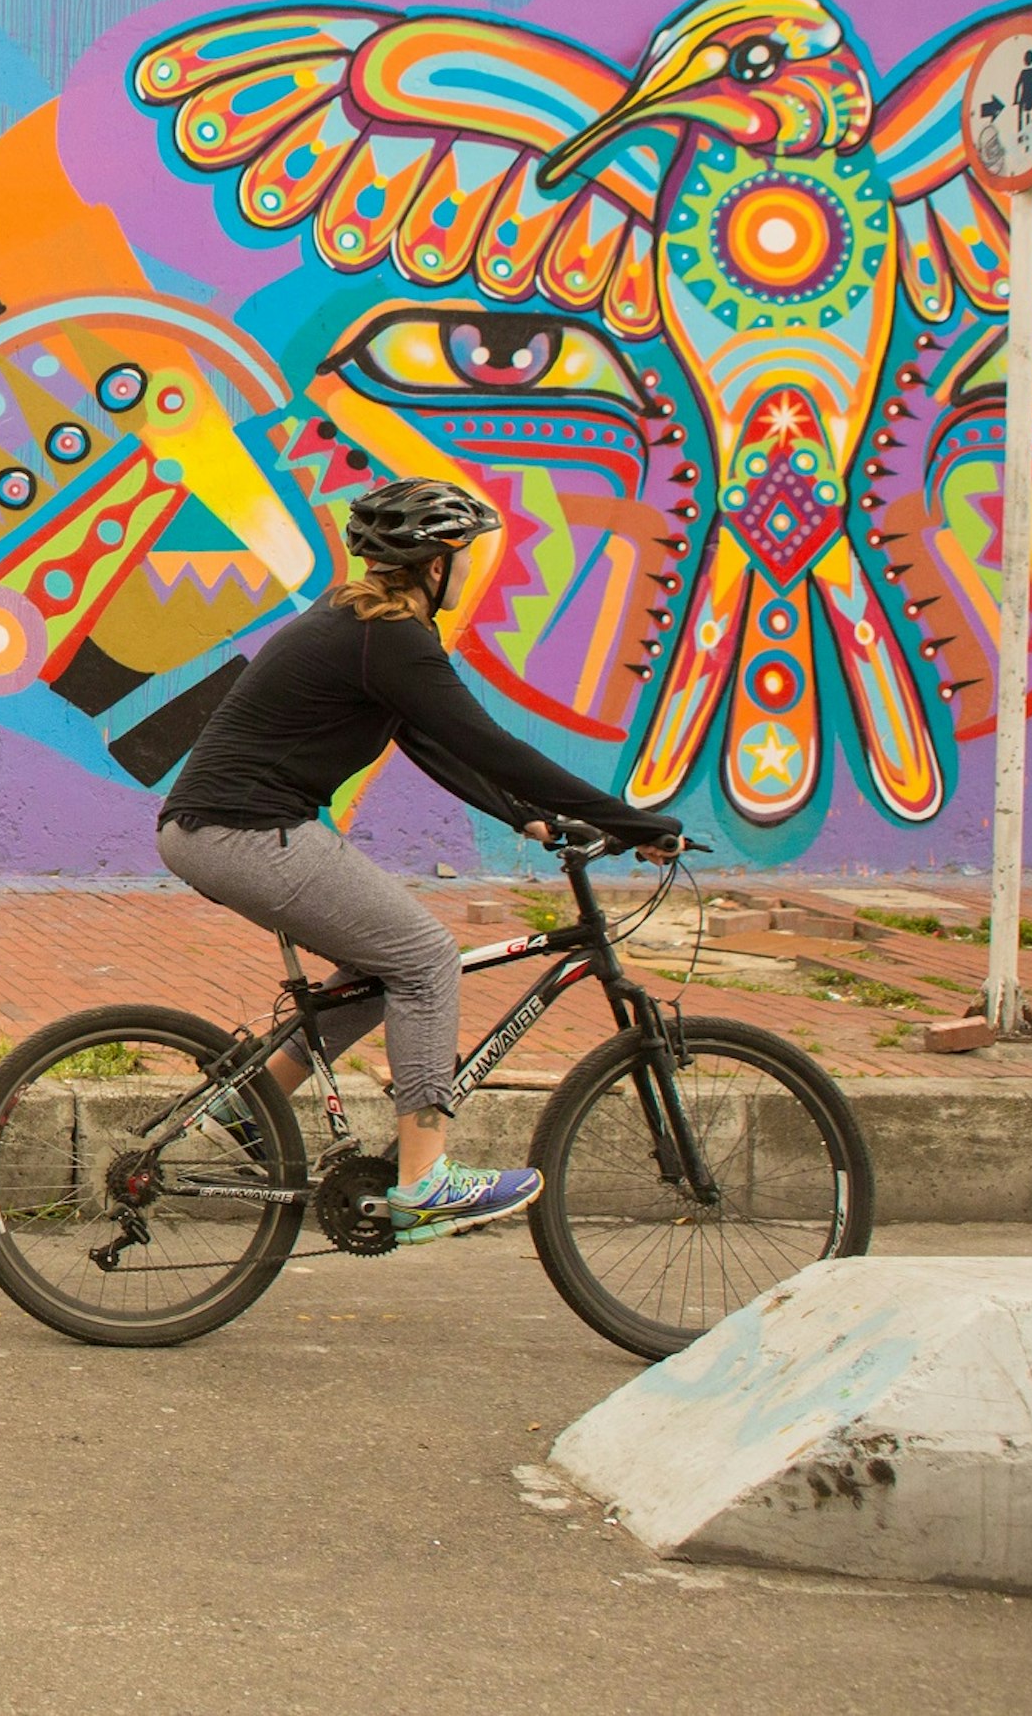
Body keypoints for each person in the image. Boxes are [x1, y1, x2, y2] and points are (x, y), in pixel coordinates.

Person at [154, 476, 684, 1237]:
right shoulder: (388, 636)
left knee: (375, 976)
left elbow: (432, 743)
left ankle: (253, 1105)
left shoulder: (361, 623)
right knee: (427, 957)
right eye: (465, 555)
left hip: (220, 829)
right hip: (247, 831)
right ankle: (425, 1177)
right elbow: (488, 743)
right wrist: (627, 821)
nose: (470, 570)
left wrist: (528, 817)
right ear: (436, 563)